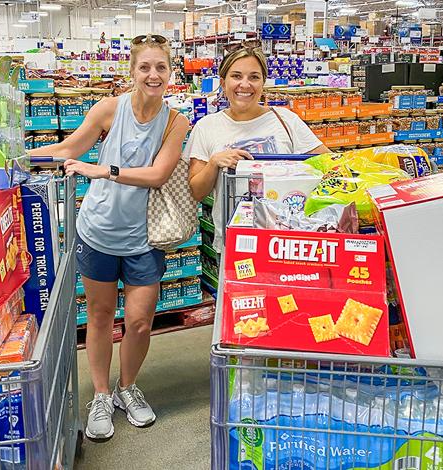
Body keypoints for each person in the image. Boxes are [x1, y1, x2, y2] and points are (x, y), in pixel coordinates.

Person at [30, 34, 190, 441]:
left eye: (161, 67)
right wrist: (15, 155)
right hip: (98, 231)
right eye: (145, 67)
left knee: (139, 322)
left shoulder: (176, 122)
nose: (153, 75)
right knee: (100, 317)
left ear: (171, 71)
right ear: (132, 71)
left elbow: (157, 176)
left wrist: (105, 170)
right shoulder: (109, 109)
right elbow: (69, 147)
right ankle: (101, 394)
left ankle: (126, 388)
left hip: (144, 239)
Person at [185, 46, 330, 252]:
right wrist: (214, 163)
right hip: (234, 242)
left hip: (288, 241)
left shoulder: (287, 120)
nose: (245, 84)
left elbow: (328, 164)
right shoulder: (207, 126)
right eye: (236, 76)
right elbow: (197, 192)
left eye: (254, 77)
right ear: (224, 82)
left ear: (263, 83)